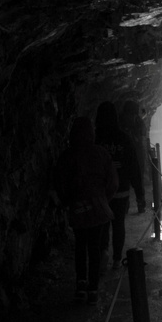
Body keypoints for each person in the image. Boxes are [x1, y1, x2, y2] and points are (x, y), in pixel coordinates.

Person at [54, 116, 118, 304]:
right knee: (95, 246)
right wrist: (103, 199)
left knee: (81, 246)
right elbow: (113, 182)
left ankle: (81, 286)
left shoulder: (67, 156)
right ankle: (93, 288)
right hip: (98, 208)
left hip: (78, 208)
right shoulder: (101, 153)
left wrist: (67, 201)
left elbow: (59, 181)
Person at [95, 101, 144, 268]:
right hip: (121, 189)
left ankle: (103, 254)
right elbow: (134, 167)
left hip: (101, 191)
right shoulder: (124, 138)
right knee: (118, 225)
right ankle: (116, 259)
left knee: (102, 223)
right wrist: (139, 194)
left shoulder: (96, 139)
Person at [120, 98, 148, 205]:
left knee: (125, 180)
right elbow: (142, 134)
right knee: (138, 180)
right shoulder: (138, 121)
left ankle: (127, 204)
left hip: (126, 153)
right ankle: (141, 203)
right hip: (136, 152)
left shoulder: (122, 120)